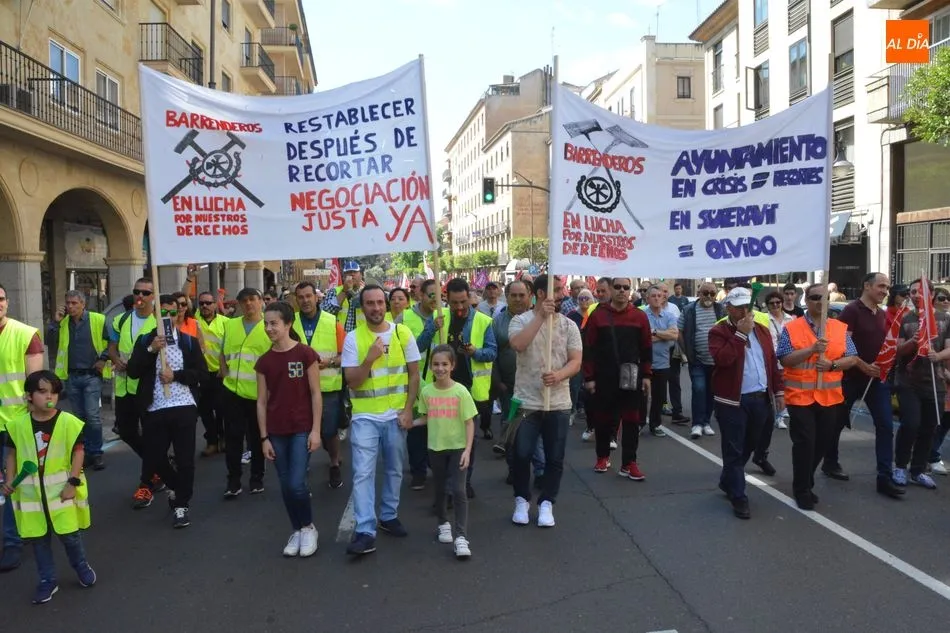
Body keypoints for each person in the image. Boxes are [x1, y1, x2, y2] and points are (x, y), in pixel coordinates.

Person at [2, 370, 95, 604]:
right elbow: (11, 454)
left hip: (61, 492)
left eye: (53, 392)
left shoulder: (68, 422)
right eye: (42, 392)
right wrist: (9, 479)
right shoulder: (17, 425)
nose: (49, 396)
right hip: (31, 496)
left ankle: (81, 566)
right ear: (29, 396)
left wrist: (72, 483)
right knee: (39, 541)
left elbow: (78, 452)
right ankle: (47, 580)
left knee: (70, 536)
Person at [342, 285, 420, 556]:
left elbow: (414, 374)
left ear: (385, 304)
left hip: (396, 415)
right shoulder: (353, 338)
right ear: (362, 307)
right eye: (369, 303)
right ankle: (365, 530)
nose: (375, 308)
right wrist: (369, 359)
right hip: (365, 416)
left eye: (379, 302)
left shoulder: (402, 333)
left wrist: (408, 410)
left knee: (394, 469)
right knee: (363, 472)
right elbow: (352, 381)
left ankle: (388, 515)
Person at [127, 295, 208, 526]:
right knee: (153, 456)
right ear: (155, 315)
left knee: (185, 459)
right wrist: (151, 350)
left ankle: (182, 505)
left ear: (178, 314)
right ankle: (176, 486)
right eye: (163, 313)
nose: (168, 317)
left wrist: (177, 376)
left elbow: (202, 374)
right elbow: (133, 371)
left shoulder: (188, 342)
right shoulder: (145, 341)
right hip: (155, 407)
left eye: (172, 312)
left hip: (183, 405)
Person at [777, 283, 860, 509]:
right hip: (800, 397)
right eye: (814, 298)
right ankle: (802, 489)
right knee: (805, 443)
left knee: (822, 443)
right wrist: (811, 350)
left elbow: (852, 357)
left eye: (823, 298)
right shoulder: (792, 328)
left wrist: (833, 364)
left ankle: (806, 480)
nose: (819, 302)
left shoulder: (839, 327)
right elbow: (784, 358)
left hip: (829, 397)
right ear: (806, 300)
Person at [822, 273, 904, 498]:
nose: (885, 291)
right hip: (850, 379)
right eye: (881, 286)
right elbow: (841, 344)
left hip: (876, 380)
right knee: (837, 423)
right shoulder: (851, 311)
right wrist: (861, 364)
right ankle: (830, 462)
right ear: (867, 286)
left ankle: (884, 477)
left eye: (887, 287)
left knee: (885, 426)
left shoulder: (882, 314)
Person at [509, 274, 582, 527]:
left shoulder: (569, 325)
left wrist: (559, 375)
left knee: (555, 457)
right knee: (521, 454)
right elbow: (518, 344)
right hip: (526, 402)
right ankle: (521, 499)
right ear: (541, 293)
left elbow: (576, 361)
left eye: (562, 289)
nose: (563, 294)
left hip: (558, 402)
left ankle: (547, 503)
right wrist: (540, 317)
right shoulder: (520, 320)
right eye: (558, 290)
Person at [709, 288, 784, 519]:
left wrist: (779, 391)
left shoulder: (762, 330)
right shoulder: (718, 331)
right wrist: (740, 335)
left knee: (750, 444)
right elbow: (723, 359)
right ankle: (739, 496)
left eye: (747, 306)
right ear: (728, 308)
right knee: (733, 448)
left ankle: (728, 479)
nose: (745, 311)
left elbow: (771, 362)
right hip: (732, 402)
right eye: (739, 307)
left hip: (760, 398)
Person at [256, 302, 322, 558]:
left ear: (288, 324)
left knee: (296, 483)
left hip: (301, 428)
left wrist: (316, 430)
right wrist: (264, 437)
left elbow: (315, 394)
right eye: (266, 323)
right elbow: (261, 402)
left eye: (274, 323)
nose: (268, 328)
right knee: (285, 485)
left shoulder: (305, 354)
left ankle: (308, 527)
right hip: (276, 431)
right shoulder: (264, 362)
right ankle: (297, 529)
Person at [408, 344, 475, 559]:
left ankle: (461, 537)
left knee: (458, 490)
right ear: (431, 366)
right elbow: (427, 417)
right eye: (436, 364)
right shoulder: (427, 392)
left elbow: (469, 422)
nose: (440, 368)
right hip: (435, 448)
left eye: (444, 364)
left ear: (452, 366)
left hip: (457, 448)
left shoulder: (461, 391)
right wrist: (411, 423)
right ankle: (443, 523)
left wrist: (467, 450)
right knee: (439, 489)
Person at [583, 277, 652, 480]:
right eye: (618, 287)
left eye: (626, 287)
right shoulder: (598, 315)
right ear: (611, 290)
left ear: (630, 291)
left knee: (631, 420)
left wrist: (647, 375)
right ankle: (602, 457)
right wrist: (589, 377)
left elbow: (646, 348)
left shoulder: (639, 316)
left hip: (631, 376)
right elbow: (588, 348)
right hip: (604, 376)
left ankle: (629, 463)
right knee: (603, 419)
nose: (622, 290)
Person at [0, 284, 44, 573]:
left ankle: (12, 542)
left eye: (1, 299)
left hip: (14, 424)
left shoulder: (25, 335)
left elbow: (36, 385)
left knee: (11, 484)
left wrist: (36, 420)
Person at [892, 278, 950, 490]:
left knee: (930, 427)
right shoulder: (905, 319)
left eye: (920, 291)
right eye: (912, 292)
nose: (916, 295)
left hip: (935, 382)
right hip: (908, 382)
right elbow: (898, 351)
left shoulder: (945, 319)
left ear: (931, 294)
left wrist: (938, 355)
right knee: (911, 424)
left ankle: (918, 470)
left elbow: (948, 348)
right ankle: (900, 466)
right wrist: (913, 342)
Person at [108, 277, 160, 509]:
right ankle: (158, 464)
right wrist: (115, 359)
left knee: (151, 434)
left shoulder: (159, 322)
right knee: (127, 431)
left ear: (153, 296)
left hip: (149, 387)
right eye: (137, 292)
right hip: (124, 386)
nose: (140, 296)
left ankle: (146, 484)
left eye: (146, 293)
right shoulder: (121, 319)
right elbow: (112, 347)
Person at [292, 282, 346, 490]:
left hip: (327, 388)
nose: (305, 300)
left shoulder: (333, 322)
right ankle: (301, 466)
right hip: (298, 388)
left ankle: (334, 463)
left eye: (309, 296)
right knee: (300, 430)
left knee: (329, 431)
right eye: (301, 297)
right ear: (296, 300)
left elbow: (345, 356)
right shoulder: (289, 322)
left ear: (316, 298)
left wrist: (329, 362)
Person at [49, 290, 111, 472]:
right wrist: (55, 322)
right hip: (72, 376)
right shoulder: (63, 323)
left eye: (74, 303)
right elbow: (51, 341)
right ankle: (83, 453)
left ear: (83, 304)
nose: (70, 306)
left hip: (92, 375)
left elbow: (112, 342)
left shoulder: (98, 319)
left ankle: (96, 452)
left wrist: (103, 359)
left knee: (92, 416)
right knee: (78, 418)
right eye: (68, 303)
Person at [219, 287, 270, 498]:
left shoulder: (268, 326)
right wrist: (224, 375)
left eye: (252, 299)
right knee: (233, 438)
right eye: (244, 301)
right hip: (232, 392)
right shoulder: (231, 325)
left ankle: (256, 478)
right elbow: (223, 353)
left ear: (260, 301)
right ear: (239, 304)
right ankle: (233, 480)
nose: (248, 304)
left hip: (258, 394)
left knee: (257, 438)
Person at [678, 281, 724, 439]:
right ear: (699, 294)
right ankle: (697, 424)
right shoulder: (689, 309)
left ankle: (706, 422)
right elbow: (679, 330)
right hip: (697, 359)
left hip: (716, 361)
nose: (709, 296)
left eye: (712, 293)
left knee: (711, 391)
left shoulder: (721, 309)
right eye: (705, 293)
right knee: (699, 389)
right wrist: (686, 351)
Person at [195, 291, 229, 457]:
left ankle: (223, 437)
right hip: (201, 374)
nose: (205, 306)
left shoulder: (226, 322)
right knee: (205, 410)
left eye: (208, 303)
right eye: (201, 303)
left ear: (215, 305)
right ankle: (212, 442)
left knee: (222, 409)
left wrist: (225, 368)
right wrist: (189, 279)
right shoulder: (194, 321)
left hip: (220, 373)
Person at [643, 285, 677, 437]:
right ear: (647, 298)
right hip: (645, 362)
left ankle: (655, 424)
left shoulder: (669, 316)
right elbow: (644, 339)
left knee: (659, 397)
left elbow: (674, 336)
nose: (657, 298)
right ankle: (639, 423)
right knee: (642, 396)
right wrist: (664, 335)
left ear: (663, 298)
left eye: (659, 296)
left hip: (663, 363)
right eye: (653, 296)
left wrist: (655, 332)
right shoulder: (642, 315)